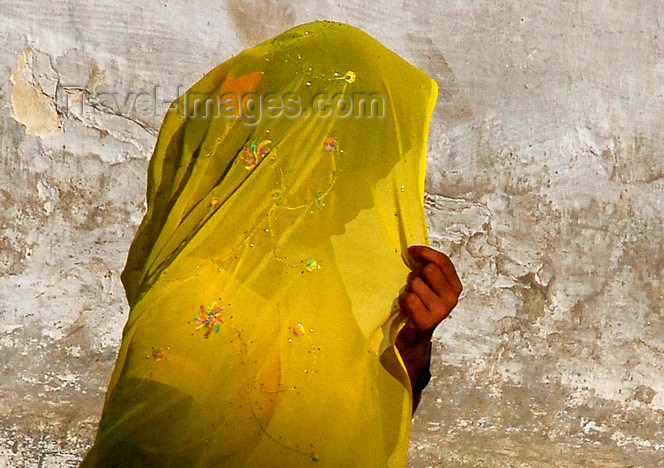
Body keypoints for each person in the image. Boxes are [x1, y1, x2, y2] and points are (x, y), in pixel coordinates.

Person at [81, 20, 461, 468]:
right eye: (361, 169)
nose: (367, 205)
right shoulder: (196, 309)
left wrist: (411, 344)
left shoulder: (319, 290)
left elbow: (358, 437)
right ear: (302, 164)